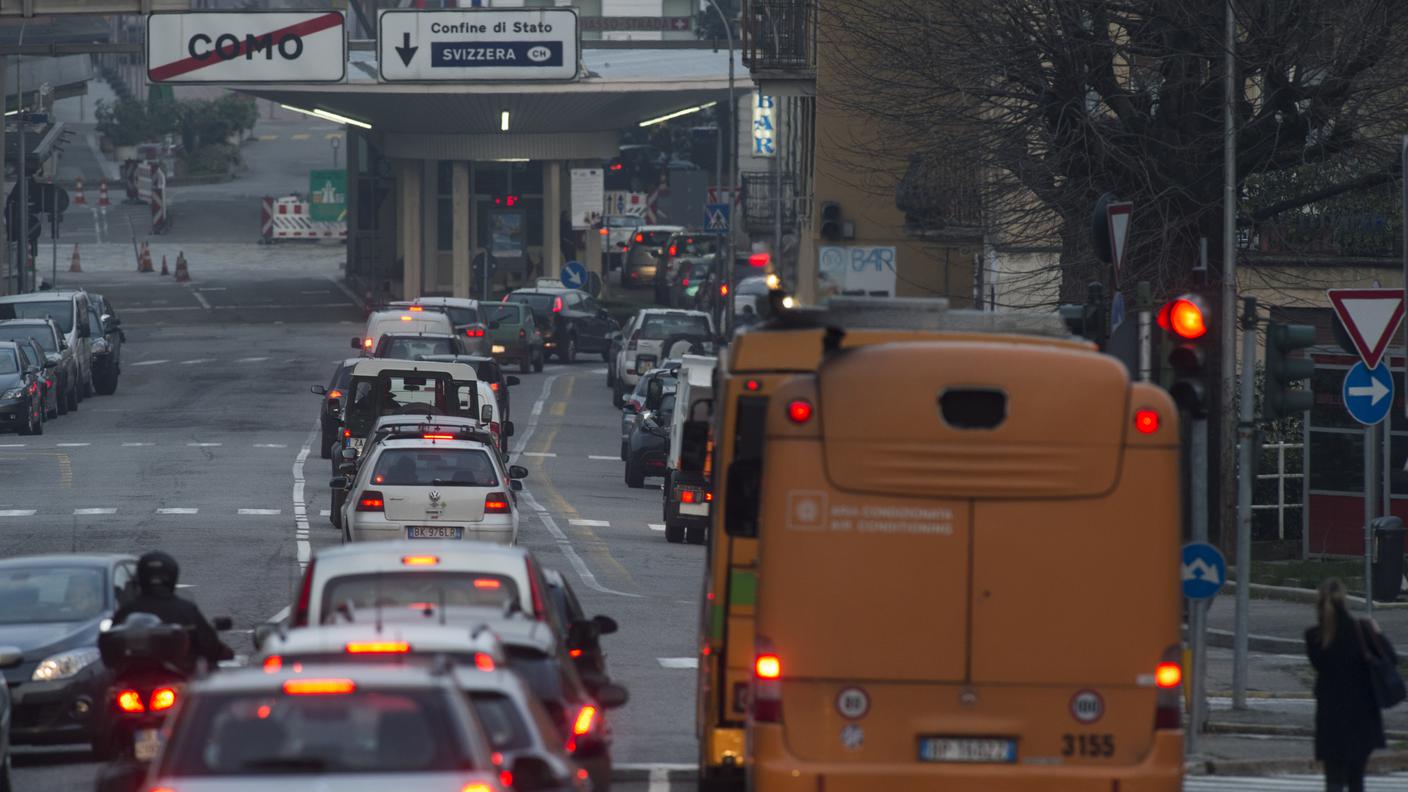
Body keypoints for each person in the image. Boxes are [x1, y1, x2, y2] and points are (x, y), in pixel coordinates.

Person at [1305, 578, 1393, 792]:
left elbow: (1319, 665)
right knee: (1357, 780)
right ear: (1344, 601)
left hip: (1331, 720)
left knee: (1333, 779)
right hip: (1362, 719)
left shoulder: (1314, 637)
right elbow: (1390, 658)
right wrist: (1377, 632)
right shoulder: (1361, 630)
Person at [113, 551, 228, 673]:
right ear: (172, 576)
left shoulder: (127, 610)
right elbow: (209, 644)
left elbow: (110, 649)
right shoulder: (186, 609)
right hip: (169, 680)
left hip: (135, 680)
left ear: (140, 578)